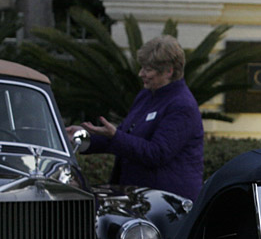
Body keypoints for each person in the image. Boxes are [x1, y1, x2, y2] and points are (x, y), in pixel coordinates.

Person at [69, 35, 204, 200]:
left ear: (169, 71)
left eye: (148, 69)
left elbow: (156, 153)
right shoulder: (146, 95)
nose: (141, 74)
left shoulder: (182, 105)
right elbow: (124, 138)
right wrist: (81, 138)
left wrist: (115, 136)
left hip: (167, 203)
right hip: (137, 196)